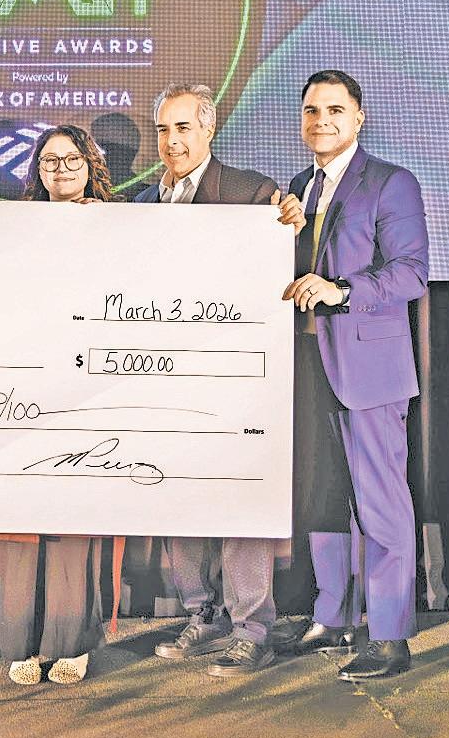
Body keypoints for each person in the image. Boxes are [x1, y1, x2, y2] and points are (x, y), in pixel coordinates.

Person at [136, 83, 294, 677]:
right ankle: (203, 615)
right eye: (163, 130)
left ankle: (252, 627)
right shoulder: (144, 205)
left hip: (236, 375)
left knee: (239, 496)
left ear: (209, 129)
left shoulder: (252, 193)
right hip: (166, 377)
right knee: (179, 492)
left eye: (183, 128)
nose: (172, 141)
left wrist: (288, 220)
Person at [280, 69, 428, 680]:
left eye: (335, 110)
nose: (322, 121)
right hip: (306, 364)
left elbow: (411, 273)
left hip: (369, 367)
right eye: (312, 111)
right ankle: (331, 616)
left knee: (380, 500)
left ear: (359, 117)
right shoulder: (298, 187)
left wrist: (339, 290)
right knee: (321, 497)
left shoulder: (390, 182)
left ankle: (389, 636)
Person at [0, 125, 112, 686]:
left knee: (72, 519)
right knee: (21, 517)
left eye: (71, 159)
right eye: (49, 161)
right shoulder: (13, 227)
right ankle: (20, 640)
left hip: (87, 386)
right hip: (23, 386)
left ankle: (71, 640)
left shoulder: (121, 225)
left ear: (90, 165)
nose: (60, 169)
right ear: (36, 171)